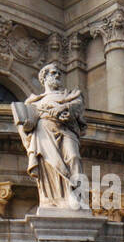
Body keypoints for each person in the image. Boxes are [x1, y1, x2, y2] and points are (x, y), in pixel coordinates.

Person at [11, 63, 85, 209]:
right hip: (43, 133)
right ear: (44, 78)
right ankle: (52, 198)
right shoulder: (34, 101)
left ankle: (76, 194)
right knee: (49, 164)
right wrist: (26, 124)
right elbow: (26, 127)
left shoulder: (71, 95)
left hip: (66, 131)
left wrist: (63, 109)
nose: (57, 75)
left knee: (74, 157)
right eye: (53, 73)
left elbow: (77, 107)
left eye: (58, 73)